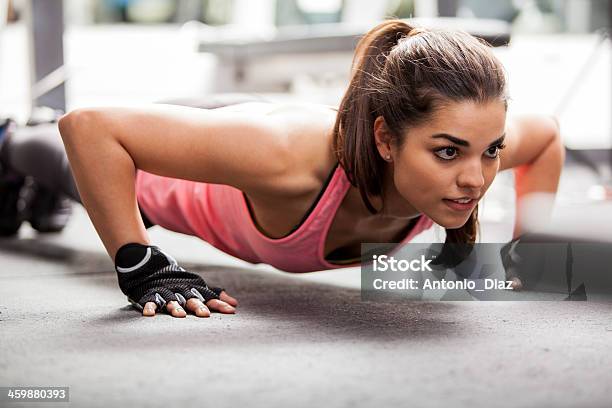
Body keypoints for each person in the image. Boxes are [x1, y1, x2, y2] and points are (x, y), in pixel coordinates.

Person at [0, 19, 565, 318]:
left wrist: (528, 254)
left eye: (490, 150)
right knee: (52, 151)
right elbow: (90, 128)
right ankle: (12, 139)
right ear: (386, 140)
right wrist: (140, 263)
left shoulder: (469, 148)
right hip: (186, 169)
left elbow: (546, 140)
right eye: (448, 152)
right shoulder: (290, 158)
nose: (476, 178)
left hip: (243, 126)